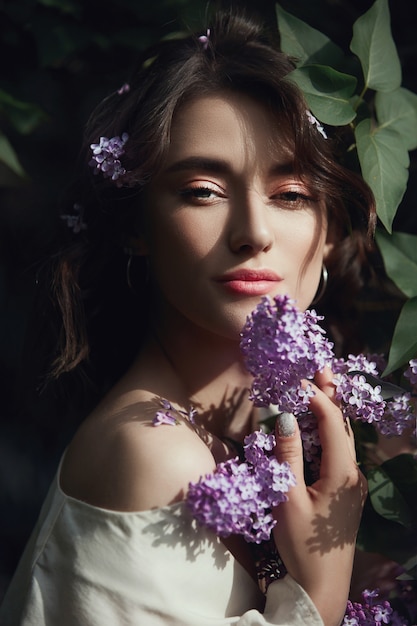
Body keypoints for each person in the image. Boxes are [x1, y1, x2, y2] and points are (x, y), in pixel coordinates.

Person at [1, 9, 374, 626]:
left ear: (330, 231)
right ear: (135, 226)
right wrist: (319, 601)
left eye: (291, 195)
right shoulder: (150, 456)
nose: (254, 233)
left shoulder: (278, 433)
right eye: (203, 190)